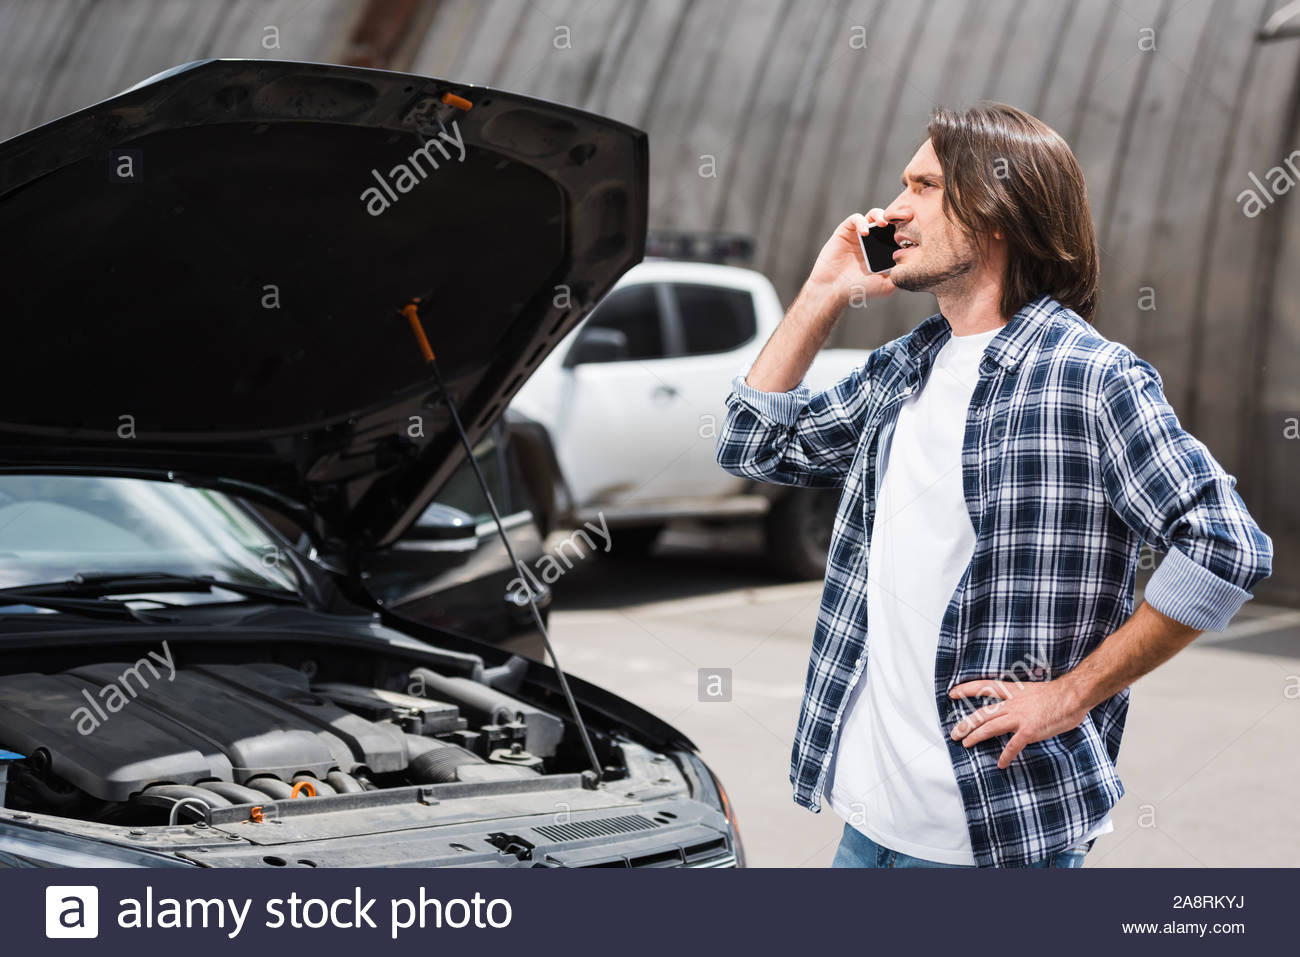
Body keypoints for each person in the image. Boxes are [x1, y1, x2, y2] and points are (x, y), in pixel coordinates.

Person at [715, 102, 1273, 868]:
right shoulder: (905, 366)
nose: (892, 209)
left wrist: (1072, 692)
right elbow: (752, 443)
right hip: (867, 827)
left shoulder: (1088, 377)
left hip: (994, 841)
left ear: (995, 212)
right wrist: (822, 293)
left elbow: (1226, 546)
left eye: (924, 186)